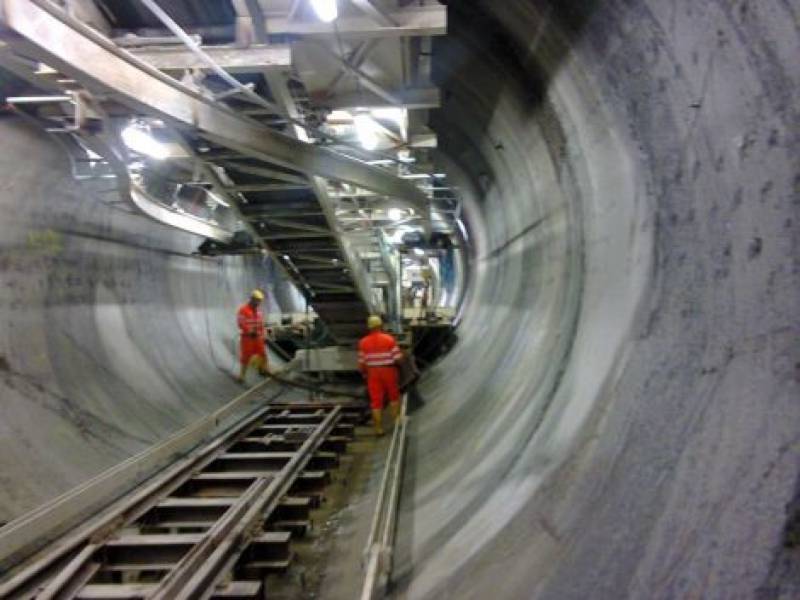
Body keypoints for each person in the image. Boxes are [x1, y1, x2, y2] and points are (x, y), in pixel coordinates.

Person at [358, 315, 403, 436]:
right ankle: (397, 422)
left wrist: (363, 373)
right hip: (388, 371)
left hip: (373, 373)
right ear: (380, 326)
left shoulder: (363, 342)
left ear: (369, 327)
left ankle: (378, 429)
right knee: (393, 397)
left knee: (376, 402)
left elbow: (362, 363)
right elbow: (398, 358)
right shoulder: (389, 339)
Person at [236, 289, 268, 383]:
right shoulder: (243, 310)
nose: (258, 303)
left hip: (258, 337)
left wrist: (263, 334)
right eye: (257, 300)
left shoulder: (258, 312)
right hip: (247, 338)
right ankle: (242, 375)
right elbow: (241, 323)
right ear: (252, 299)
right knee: (246, 356)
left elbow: (261, 324)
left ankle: (263, 369)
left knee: (262, 354)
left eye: (259, 301)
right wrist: (249, 331)